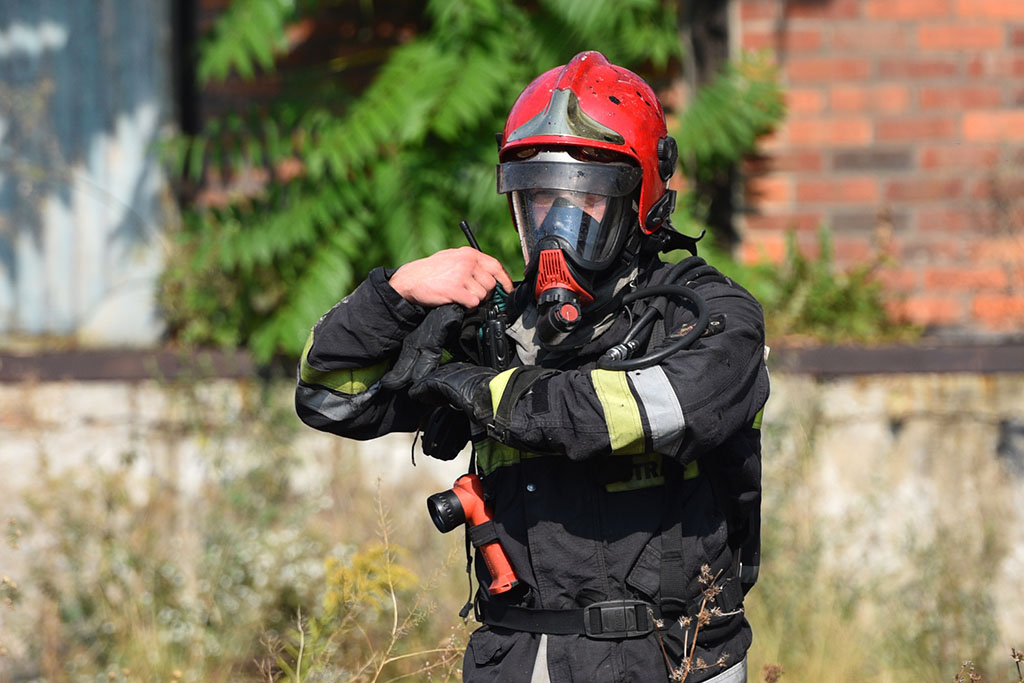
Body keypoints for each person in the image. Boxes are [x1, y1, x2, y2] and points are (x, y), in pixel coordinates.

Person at [295, 51, 769, 683]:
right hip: (517, 661)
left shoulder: (707, 317)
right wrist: (398, 293)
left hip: (666, 660)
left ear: (641, 200)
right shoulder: (500, 326)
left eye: (585, 200)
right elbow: (329, 395)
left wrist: (472, 389)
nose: (557, 228)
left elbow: (624, 414)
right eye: (541, 199)